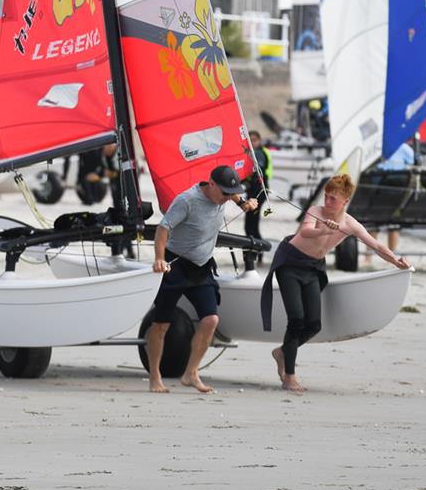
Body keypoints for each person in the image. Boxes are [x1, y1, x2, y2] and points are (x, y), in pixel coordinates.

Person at [261, 172, 410, 394]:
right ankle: (289, 377)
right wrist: (324, 228)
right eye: (326, 196)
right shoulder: (315, 211)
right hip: (290, 264)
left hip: (312, 268)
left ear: (345, 202)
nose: (328, 201)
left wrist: (396, 261)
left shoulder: (350, 224)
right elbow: (306, 231)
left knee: (314, 325)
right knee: (296, 319)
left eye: (333, 199)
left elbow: (376, 245)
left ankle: (282, 352)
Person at [147, 164, 258, 394]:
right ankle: (155, 375)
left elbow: (234, 193)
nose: (228, 198)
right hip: (175, 265)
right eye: (224, 193)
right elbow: (162, 229)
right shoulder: (186, 201)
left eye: (231, 194)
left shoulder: (225, 196)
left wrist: (243, 203)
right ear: (211, 184)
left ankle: (191, 373)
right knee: (161, 324)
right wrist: (159, 258)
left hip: (202, 267)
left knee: (211, 320)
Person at [244, 130, 272, 253]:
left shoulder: (259, 153)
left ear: (259, 141)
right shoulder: (253, 153)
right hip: (253, 192)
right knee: (250, 225)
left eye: (254, 140)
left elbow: (258, 169)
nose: (252, 143)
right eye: (250, 140)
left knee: (251, 226)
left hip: (259, 192)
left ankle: (260, 249)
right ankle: (255, 250)